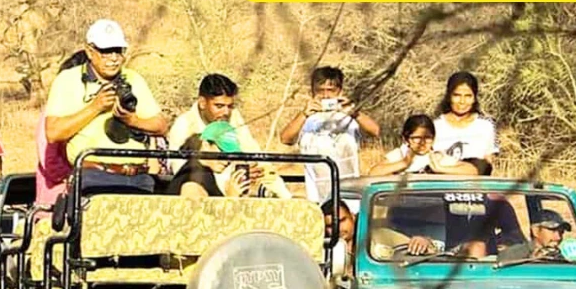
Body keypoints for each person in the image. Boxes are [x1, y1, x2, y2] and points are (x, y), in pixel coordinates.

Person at [42, 19, 168, 195]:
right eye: (106, 51)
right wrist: (95, 107)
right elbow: (53, 133)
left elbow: (161, 126)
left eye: (118, 51)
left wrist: (133, 120)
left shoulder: (134, 79)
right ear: (89, 51)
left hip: (138, 177)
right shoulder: (67, 80)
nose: (114, 58)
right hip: (93, 177)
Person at [280, 66, 381, 202]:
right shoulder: (307, 120)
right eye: (320, 91)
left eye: (331, 90)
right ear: (312, 91)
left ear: (340, 91)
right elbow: (285, 138)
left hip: (349, 196)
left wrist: (353, 112)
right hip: (317, 195)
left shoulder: (350, 118)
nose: (326, 95)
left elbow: (375, 131)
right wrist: (304, 114)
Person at [166, 123, 255, 199]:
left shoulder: (203, 172)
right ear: (206, 145)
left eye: (231, 155)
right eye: (223, 152)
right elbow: (197, 217)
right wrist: (230, 198)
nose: (227, 161)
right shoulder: (193, 181)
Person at [434, 72, 498, 175]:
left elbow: (488, 162)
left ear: (474, 98)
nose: (462, 101)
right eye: (457, 95)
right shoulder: (435, 126)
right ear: (449, 96)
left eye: (468, 96)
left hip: (473, 185)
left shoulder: (486, 126)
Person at [369, 115, 477, 176]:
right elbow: (373, 173)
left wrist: (440, 168)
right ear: (406, 139)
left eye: (427, 138)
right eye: (416, 138)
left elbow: (472, 171)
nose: (422, 143)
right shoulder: (399, 154)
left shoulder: (437, 157)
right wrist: (404, 163)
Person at [497, 210, 571, 262]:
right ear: (535, 231)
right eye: (553, 230)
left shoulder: (562, 257)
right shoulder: (511, 255)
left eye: (561, 232)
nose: (558, 237)